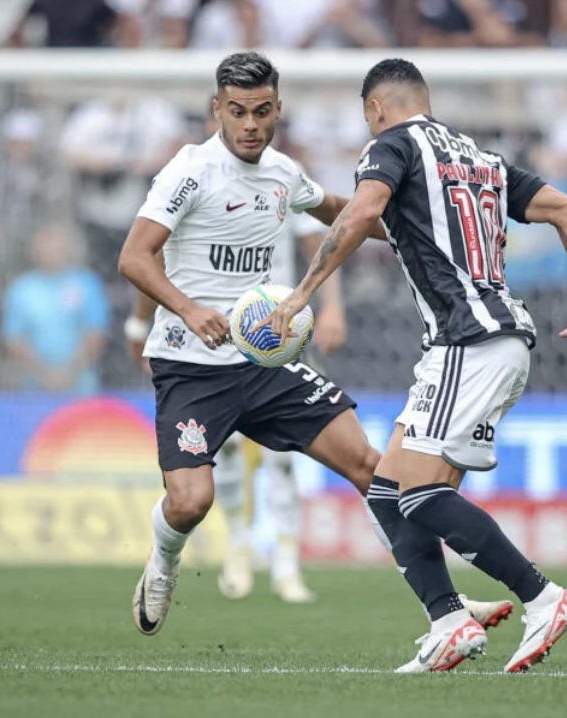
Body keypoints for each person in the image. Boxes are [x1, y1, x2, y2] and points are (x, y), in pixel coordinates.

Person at [117, 52, 510, 639]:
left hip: (263, 361)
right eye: (238, 112)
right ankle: (164, 560)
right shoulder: (189, 172)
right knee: (190, 503)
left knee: (372, 468)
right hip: (191, 365)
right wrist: (191, 309)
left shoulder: (281, 172)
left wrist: (415, 222)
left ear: (278, 109)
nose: (250, 124)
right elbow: (133, 257)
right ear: (216, 110)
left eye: (262, 111)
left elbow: (340, 212)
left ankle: (445, 606)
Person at [263, 58, 567, 673]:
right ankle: (449, 622)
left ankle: (543, 597)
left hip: (467, 341)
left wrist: (298, 295)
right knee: (388, 490)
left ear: (375, 109)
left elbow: (366, 211)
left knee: (419, 497)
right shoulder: (480, 159)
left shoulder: (390, 145)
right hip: (488, 340)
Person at [2, 225, 109, 394]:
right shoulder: (22, 289)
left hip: (82, 389)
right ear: (34, 250)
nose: (51, 251)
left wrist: (69, 373)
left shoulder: (86, 283)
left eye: (57, 245)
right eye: (46, 245)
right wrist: (46, 376)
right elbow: (14, 340)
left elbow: (96, 334)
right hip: (33, 390)